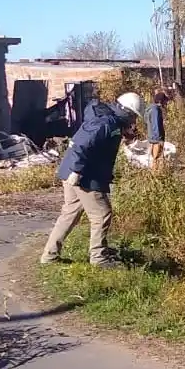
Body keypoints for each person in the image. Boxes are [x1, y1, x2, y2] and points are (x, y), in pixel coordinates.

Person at [40, 91, 145, 267]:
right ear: (126, 111)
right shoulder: (105, 123)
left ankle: (50, 256)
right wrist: (77, 170)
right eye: (133, 115)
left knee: (70, 214)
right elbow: (82, 144)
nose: (133, 120)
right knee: (102, 214)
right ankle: (99, 257)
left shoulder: (108, 119)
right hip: (84, 176)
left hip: (74, 172)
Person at [145, 89, 167, 170]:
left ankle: (154, 175)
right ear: (161, 101)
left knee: (154, 158)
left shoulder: (149, 108)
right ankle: (156, 175)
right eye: (165, 101)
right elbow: (156, 124)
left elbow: (146, 121)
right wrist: (159, 139)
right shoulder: (156, 110)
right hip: (156, 139)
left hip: (151, 138)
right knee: (156, 159)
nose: (166, 103)